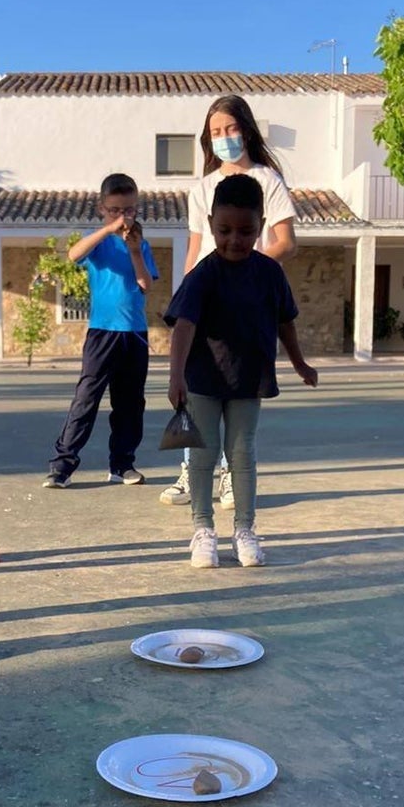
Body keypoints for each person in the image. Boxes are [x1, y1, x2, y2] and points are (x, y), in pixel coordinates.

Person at [164, 174, 318, 568]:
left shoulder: (269, 273)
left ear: (261, 224)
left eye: (246, 231)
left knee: (241, 453)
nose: (234, 239)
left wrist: (299, 361)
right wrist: (176, 375)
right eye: (224, 230)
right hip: (202, 381)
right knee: (203, 453)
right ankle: (203, 530)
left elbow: (286, 321)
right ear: (211, 221)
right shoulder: (203, 275)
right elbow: (184, 326)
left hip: (248, 378)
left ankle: (245, 530)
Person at [160, 94, 298, 509]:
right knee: (197, 388)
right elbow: (195, 248)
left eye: (230, 129)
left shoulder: (268, 181)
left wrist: (242, 272)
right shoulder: (201, 188)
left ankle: (229, 478)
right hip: (206, 305)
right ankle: (192, 472)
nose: (224, 138)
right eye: (215, 132)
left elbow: (286, 243)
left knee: (238, 391)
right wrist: (188, 292)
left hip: (244, 306)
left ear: (247, 130)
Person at [43, 173, 158, 488]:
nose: (123, 216)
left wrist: (135, 251)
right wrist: (108, 230)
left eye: (130, 210)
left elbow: (145, 284)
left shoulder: (142, 245)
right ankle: (62, 466)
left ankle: (122, 465)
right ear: (102, 209)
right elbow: (73, 254)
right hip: (102, 333)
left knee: (130, 403)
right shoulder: (98, 243)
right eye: (115, 210)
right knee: (86, 398)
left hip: (134, 333)